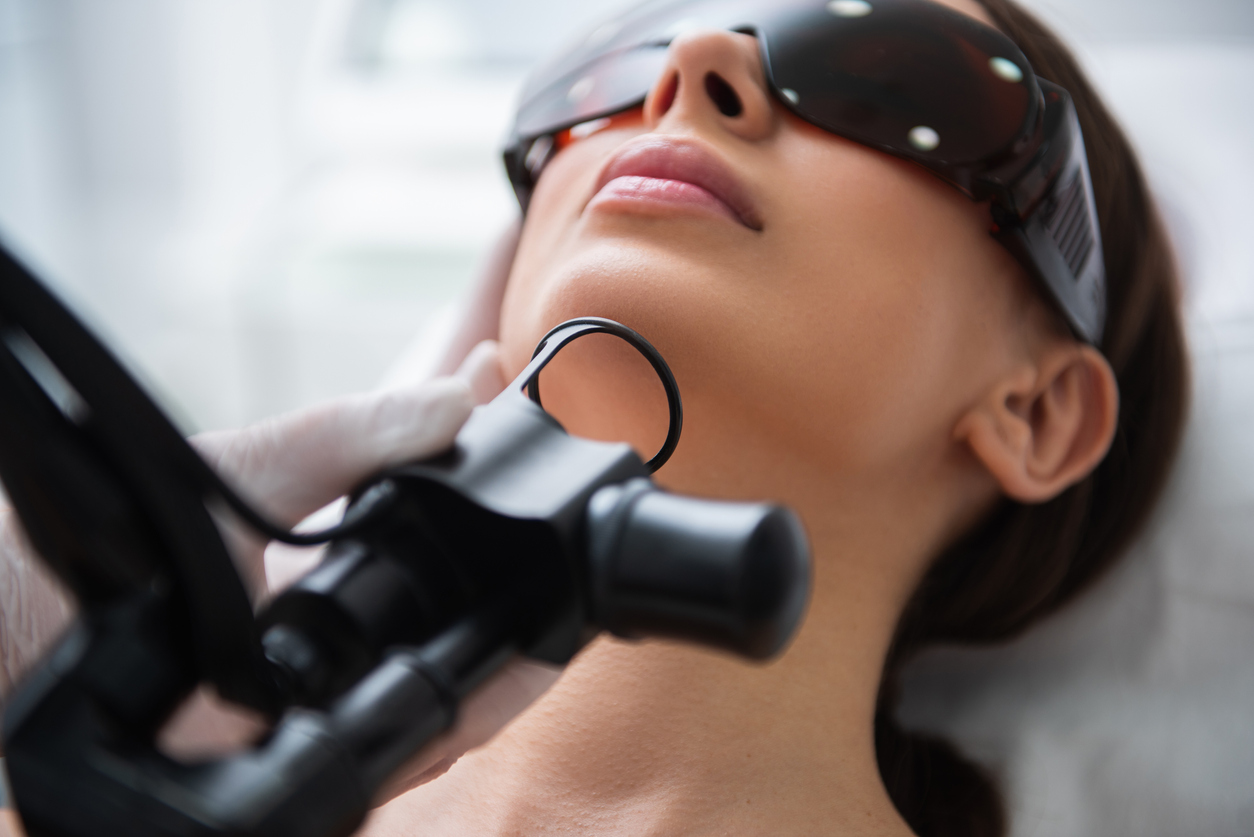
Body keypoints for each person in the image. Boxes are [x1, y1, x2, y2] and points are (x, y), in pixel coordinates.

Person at [0, 0, 1188, 835]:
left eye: (885, 71)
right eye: (612, 73)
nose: (695, 66)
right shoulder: (103, 776)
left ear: (1035, 412)